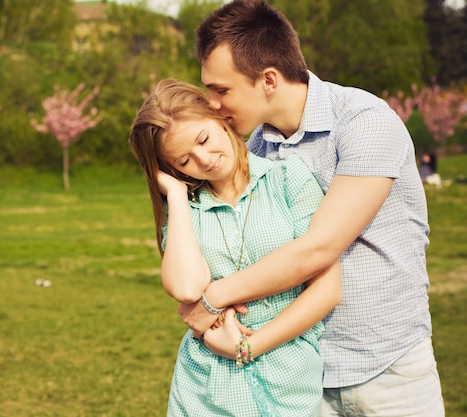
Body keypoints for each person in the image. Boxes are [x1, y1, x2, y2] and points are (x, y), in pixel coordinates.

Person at [178, 1, 445, 415]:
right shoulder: (256, 151)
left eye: (221, 89)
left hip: (387, 371)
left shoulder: (364, 122)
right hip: (302, 378)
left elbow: (319, 248)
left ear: (268, 79)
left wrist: (212, 300)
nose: (212, 103)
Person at [129, 78, 341, 416]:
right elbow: (186, 287)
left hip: (290, 385)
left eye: (203, 139)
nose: (204, 159)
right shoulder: (188, 211)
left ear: (218, 119)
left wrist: (247, 347)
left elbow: (327, 291)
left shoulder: (289, 180)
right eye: (184, 161)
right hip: (207, 391)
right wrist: (178, 197)